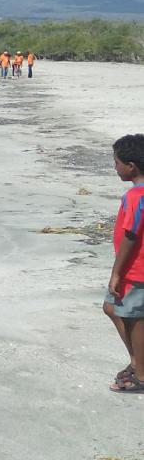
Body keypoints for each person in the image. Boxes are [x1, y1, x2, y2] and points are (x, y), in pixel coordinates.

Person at [104, 134, 144, 392]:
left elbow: (131, 235)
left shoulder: (136, 197)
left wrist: (116, 273)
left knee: (135, 319)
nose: (115, 166)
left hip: (135, 269)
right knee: (111, 308)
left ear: (131, 166)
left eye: (117, 162)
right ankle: (137, 360)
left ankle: (141, 374)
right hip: (134, 268)